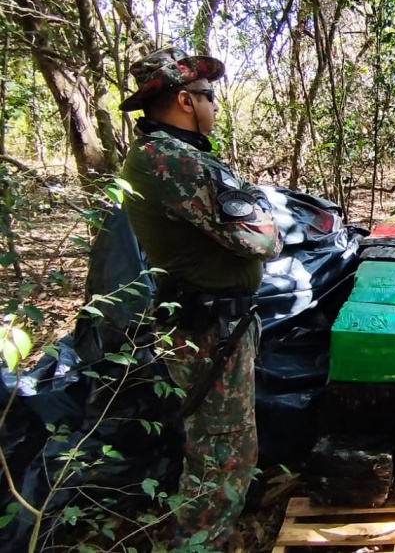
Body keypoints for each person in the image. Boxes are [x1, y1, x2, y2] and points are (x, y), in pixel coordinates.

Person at [119, 46, 282, 548]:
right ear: (185, 101)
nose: (215, 105)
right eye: (209, 96)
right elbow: (264, 239)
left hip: (212, 324)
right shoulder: (170, 161)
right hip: (209, 330)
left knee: (220, 450)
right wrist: (255, 203)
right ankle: (199, 543)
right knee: (221, 459)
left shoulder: (168, 156)